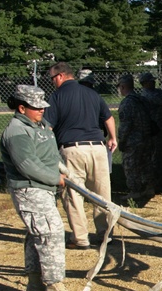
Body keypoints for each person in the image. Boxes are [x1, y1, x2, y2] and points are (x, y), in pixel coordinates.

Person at [0, 84, 73, 291]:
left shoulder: (39, 125)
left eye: (42, 106)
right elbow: (27, 165)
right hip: (29, 188)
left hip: (44, 188)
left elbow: (48, 152)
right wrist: (55, 179)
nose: (41, 110)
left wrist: (61, 167)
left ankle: (35, 284)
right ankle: (54, 284)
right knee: (51, 232)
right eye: (35, 107)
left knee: (37, 234)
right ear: (21, 108)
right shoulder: (16, 132)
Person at [43, 62, 117, 250]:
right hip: (98, 148)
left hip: (72, 149)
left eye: (52, 78)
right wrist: (112, 138)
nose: (52, 82)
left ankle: (81, 238)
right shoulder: (92, 94)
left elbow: (48, 126)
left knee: (73, 194)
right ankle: (106, 234)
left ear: (60, 76)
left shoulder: (57, 96)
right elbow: (108, 118)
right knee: (102, 194)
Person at [117, 74, 160, 205]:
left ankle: (134, 190)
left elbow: (126, 125)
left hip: (133, 140)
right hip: (147, 137)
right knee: (146, 164)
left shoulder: (127, 103)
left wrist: (122, 141)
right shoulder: (141, 99)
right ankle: (149, 188)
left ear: (123, 86)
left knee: (131, 166)